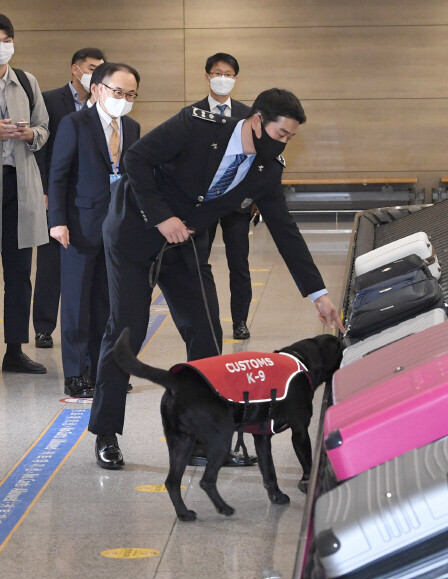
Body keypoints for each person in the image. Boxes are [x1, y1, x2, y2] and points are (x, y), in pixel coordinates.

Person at [87, 87, 345, 470]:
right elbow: (136, 158)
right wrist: (161, 216)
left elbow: (284, 230)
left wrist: (318, 295)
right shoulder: (196, 125)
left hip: (186, 243)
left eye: (290, 139)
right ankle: (106, 434)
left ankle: (199, 439)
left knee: (206, 331)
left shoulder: (267, 168)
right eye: (280, 135)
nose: (284, 145)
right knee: (128, 329)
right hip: (136, 230)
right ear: (258, 121)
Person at [48, 62, 141, 398]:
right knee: (76, 303)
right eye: (119, 92)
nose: (124, 99)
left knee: (106, 303)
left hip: (116, 229)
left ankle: (102, 369)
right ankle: (75, 373)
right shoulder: (75, 124)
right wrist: (57, 220)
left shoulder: (132, 126)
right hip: (78, 227)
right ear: (99, 88)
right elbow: (58, 174)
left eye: (131, 94)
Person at [33, 48, 106, 350]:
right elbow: (43, 151)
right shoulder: (51, 100)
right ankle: (44, 326)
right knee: (51, 264)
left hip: (91, 198)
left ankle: (85, 327)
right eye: (92, 68)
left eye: (101, 68)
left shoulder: (105, 103)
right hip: (57, 192)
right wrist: (45, 189)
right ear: (76, 70)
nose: (96, 73)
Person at [0, 14, 49, 374]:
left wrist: (31, 135)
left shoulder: (26, 82)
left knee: (19, 273)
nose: (3, 46)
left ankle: (14, 350)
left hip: (18, 186)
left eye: (6, 39)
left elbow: (44, 128)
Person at [194, 52, 254, 342]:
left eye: (228, 74)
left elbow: (259, 160)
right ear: (207, 76)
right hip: (203, 202)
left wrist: (254, 197)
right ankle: (202, 317)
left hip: (236, 203)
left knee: (239, 263)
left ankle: (240, 320)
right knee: (198, 262)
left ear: (235, 79)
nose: (223, 79)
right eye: (218, 73)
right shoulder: (192, 113)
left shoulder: (248, 115)